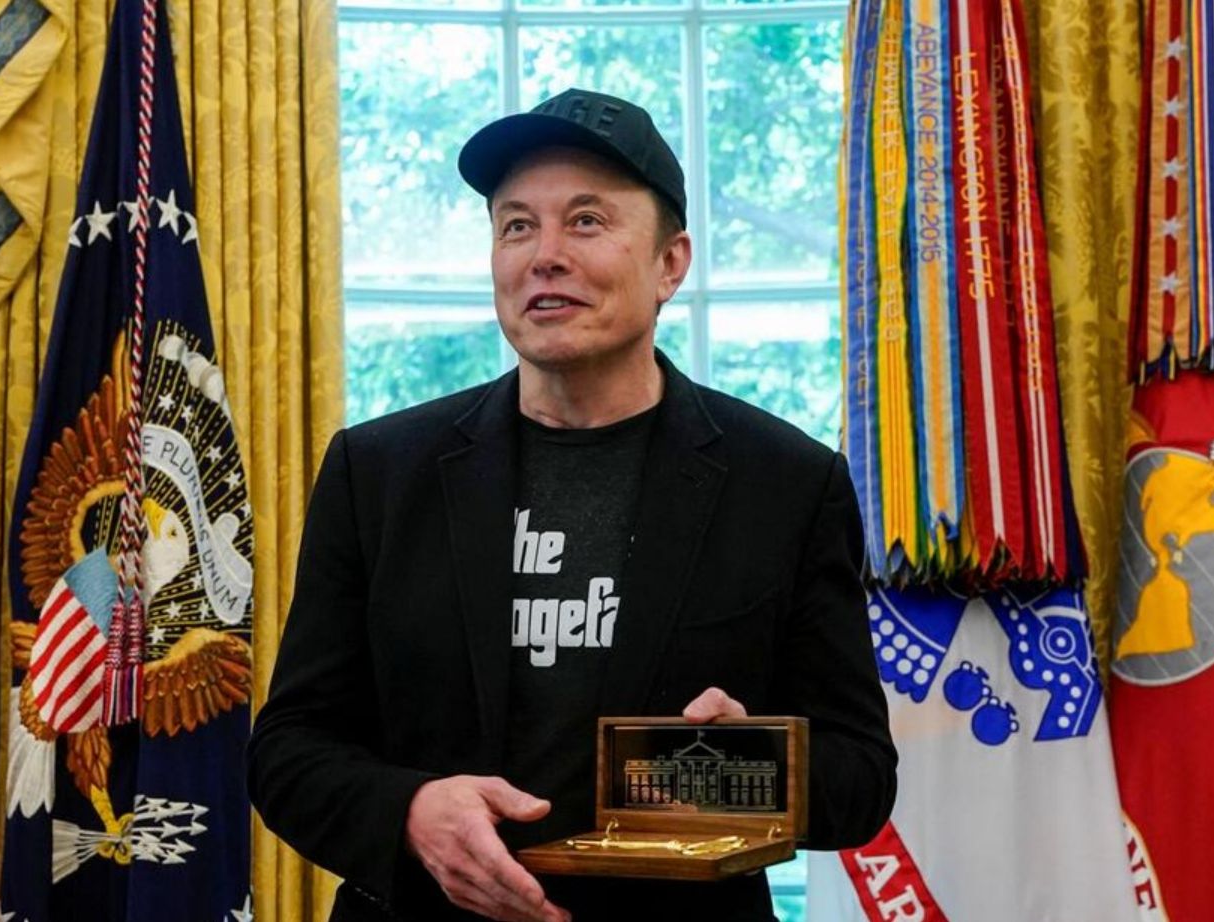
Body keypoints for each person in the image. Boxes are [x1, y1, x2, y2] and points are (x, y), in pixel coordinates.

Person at [247, 88, 896, 922]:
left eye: (586, 221)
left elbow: (860, 777)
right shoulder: (376, 473)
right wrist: (411, 812)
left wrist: (747, 765)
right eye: (517, 225)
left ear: (670, 264)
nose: (544, 255)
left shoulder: (787, 484)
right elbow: (290, 751)